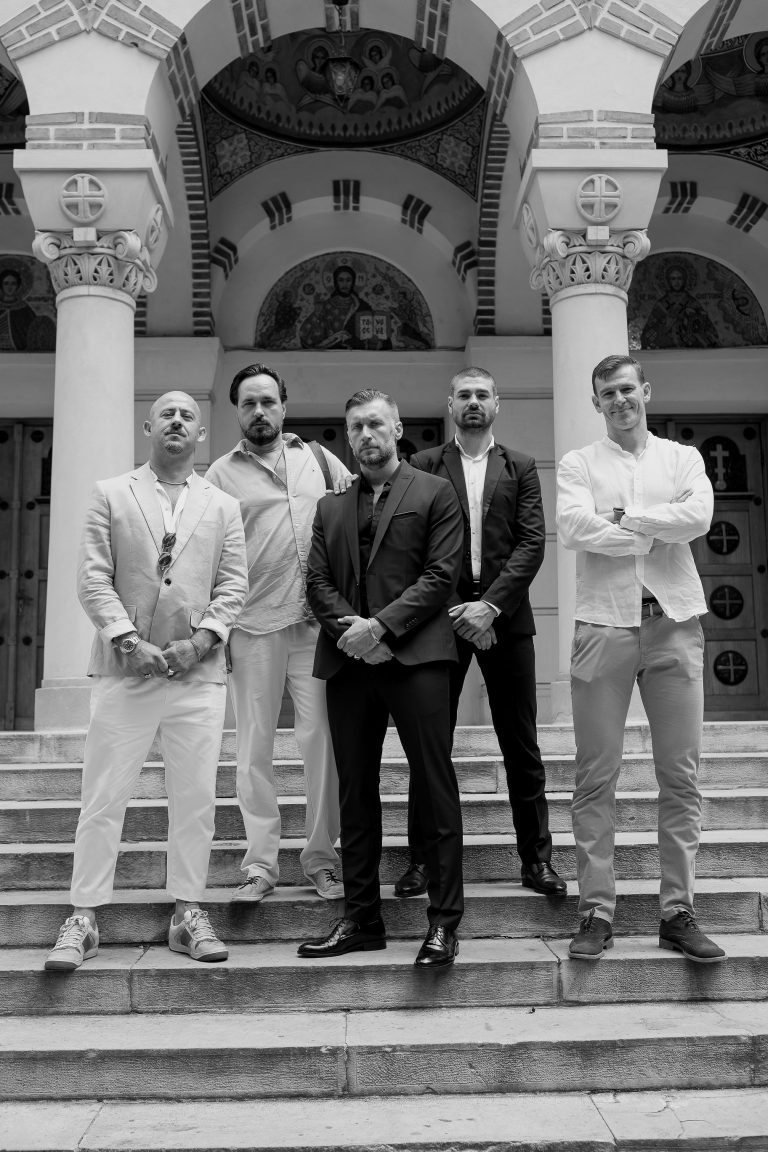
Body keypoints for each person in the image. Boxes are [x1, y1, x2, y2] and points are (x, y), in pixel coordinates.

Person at [44, 392, 248, 972]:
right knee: (103, 796)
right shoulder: (111, 493)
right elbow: (92, 578)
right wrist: (129, 643)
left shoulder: (223, 506)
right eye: (166, 414)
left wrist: (201, 641)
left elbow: (234, 584)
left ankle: (188, 913)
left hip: (197, 674)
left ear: (201, 433)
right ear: (148, 427)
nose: (177, 421)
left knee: (196, 800)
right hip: (124, 671)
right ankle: (83, 917)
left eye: (187, 415)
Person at [556, 354, 725, 964]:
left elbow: (698, 517)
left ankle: (677, 911)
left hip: (673, 623)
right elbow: (573, 528)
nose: (620, 400)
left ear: (645, 391)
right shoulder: (578, 463)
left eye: (627, 389)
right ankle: (596, 911)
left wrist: (627, 520)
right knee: (594, 776)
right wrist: (658, 527)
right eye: (608, 393)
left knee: (680, 775)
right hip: (603, 626)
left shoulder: (682, 458)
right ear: (596, 402)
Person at [298, 389, 465, 967]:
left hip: (417, 659)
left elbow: (441, 574)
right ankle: (361, 919)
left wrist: (381, 629)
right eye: (356, 427)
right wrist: (356, 633)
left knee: (436, 787)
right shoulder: (330, 507)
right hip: (348, 662)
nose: (366, 435)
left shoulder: (436, 492)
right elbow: (316, 581)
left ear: (397, 428)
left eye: (375, 424)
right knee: (355, 793)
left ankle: (444, 923)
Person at [394, 367, 566, 900]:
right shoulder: (423, 465)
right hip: (439, 623)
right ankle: (422, 861)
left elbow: (532, 543)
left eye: (482, 394)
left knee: (521, 743)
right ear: (450, 404)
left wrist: (489, 608)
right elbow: (416, 550)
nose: (473, 402)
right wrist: (460, 612)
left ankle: (536, 859)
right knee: (430, 745)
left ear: (497, 404)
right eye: (464, 394)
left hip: (505, 621)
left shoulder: (521, 467)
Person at [206, 364, 352, 904]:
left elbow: (359, 514)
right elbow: (207, 553)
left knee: (323, 744)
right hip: (251, 626)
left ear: (284, 407)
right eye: (249, 403)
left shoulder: (320, 460)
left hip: (316, 627)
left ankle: (322, 858)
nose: (260, 411)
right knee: (253, 750)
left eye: (268, 401)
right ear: (237, 411)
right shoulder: (219, 475)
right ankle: (260, 866)